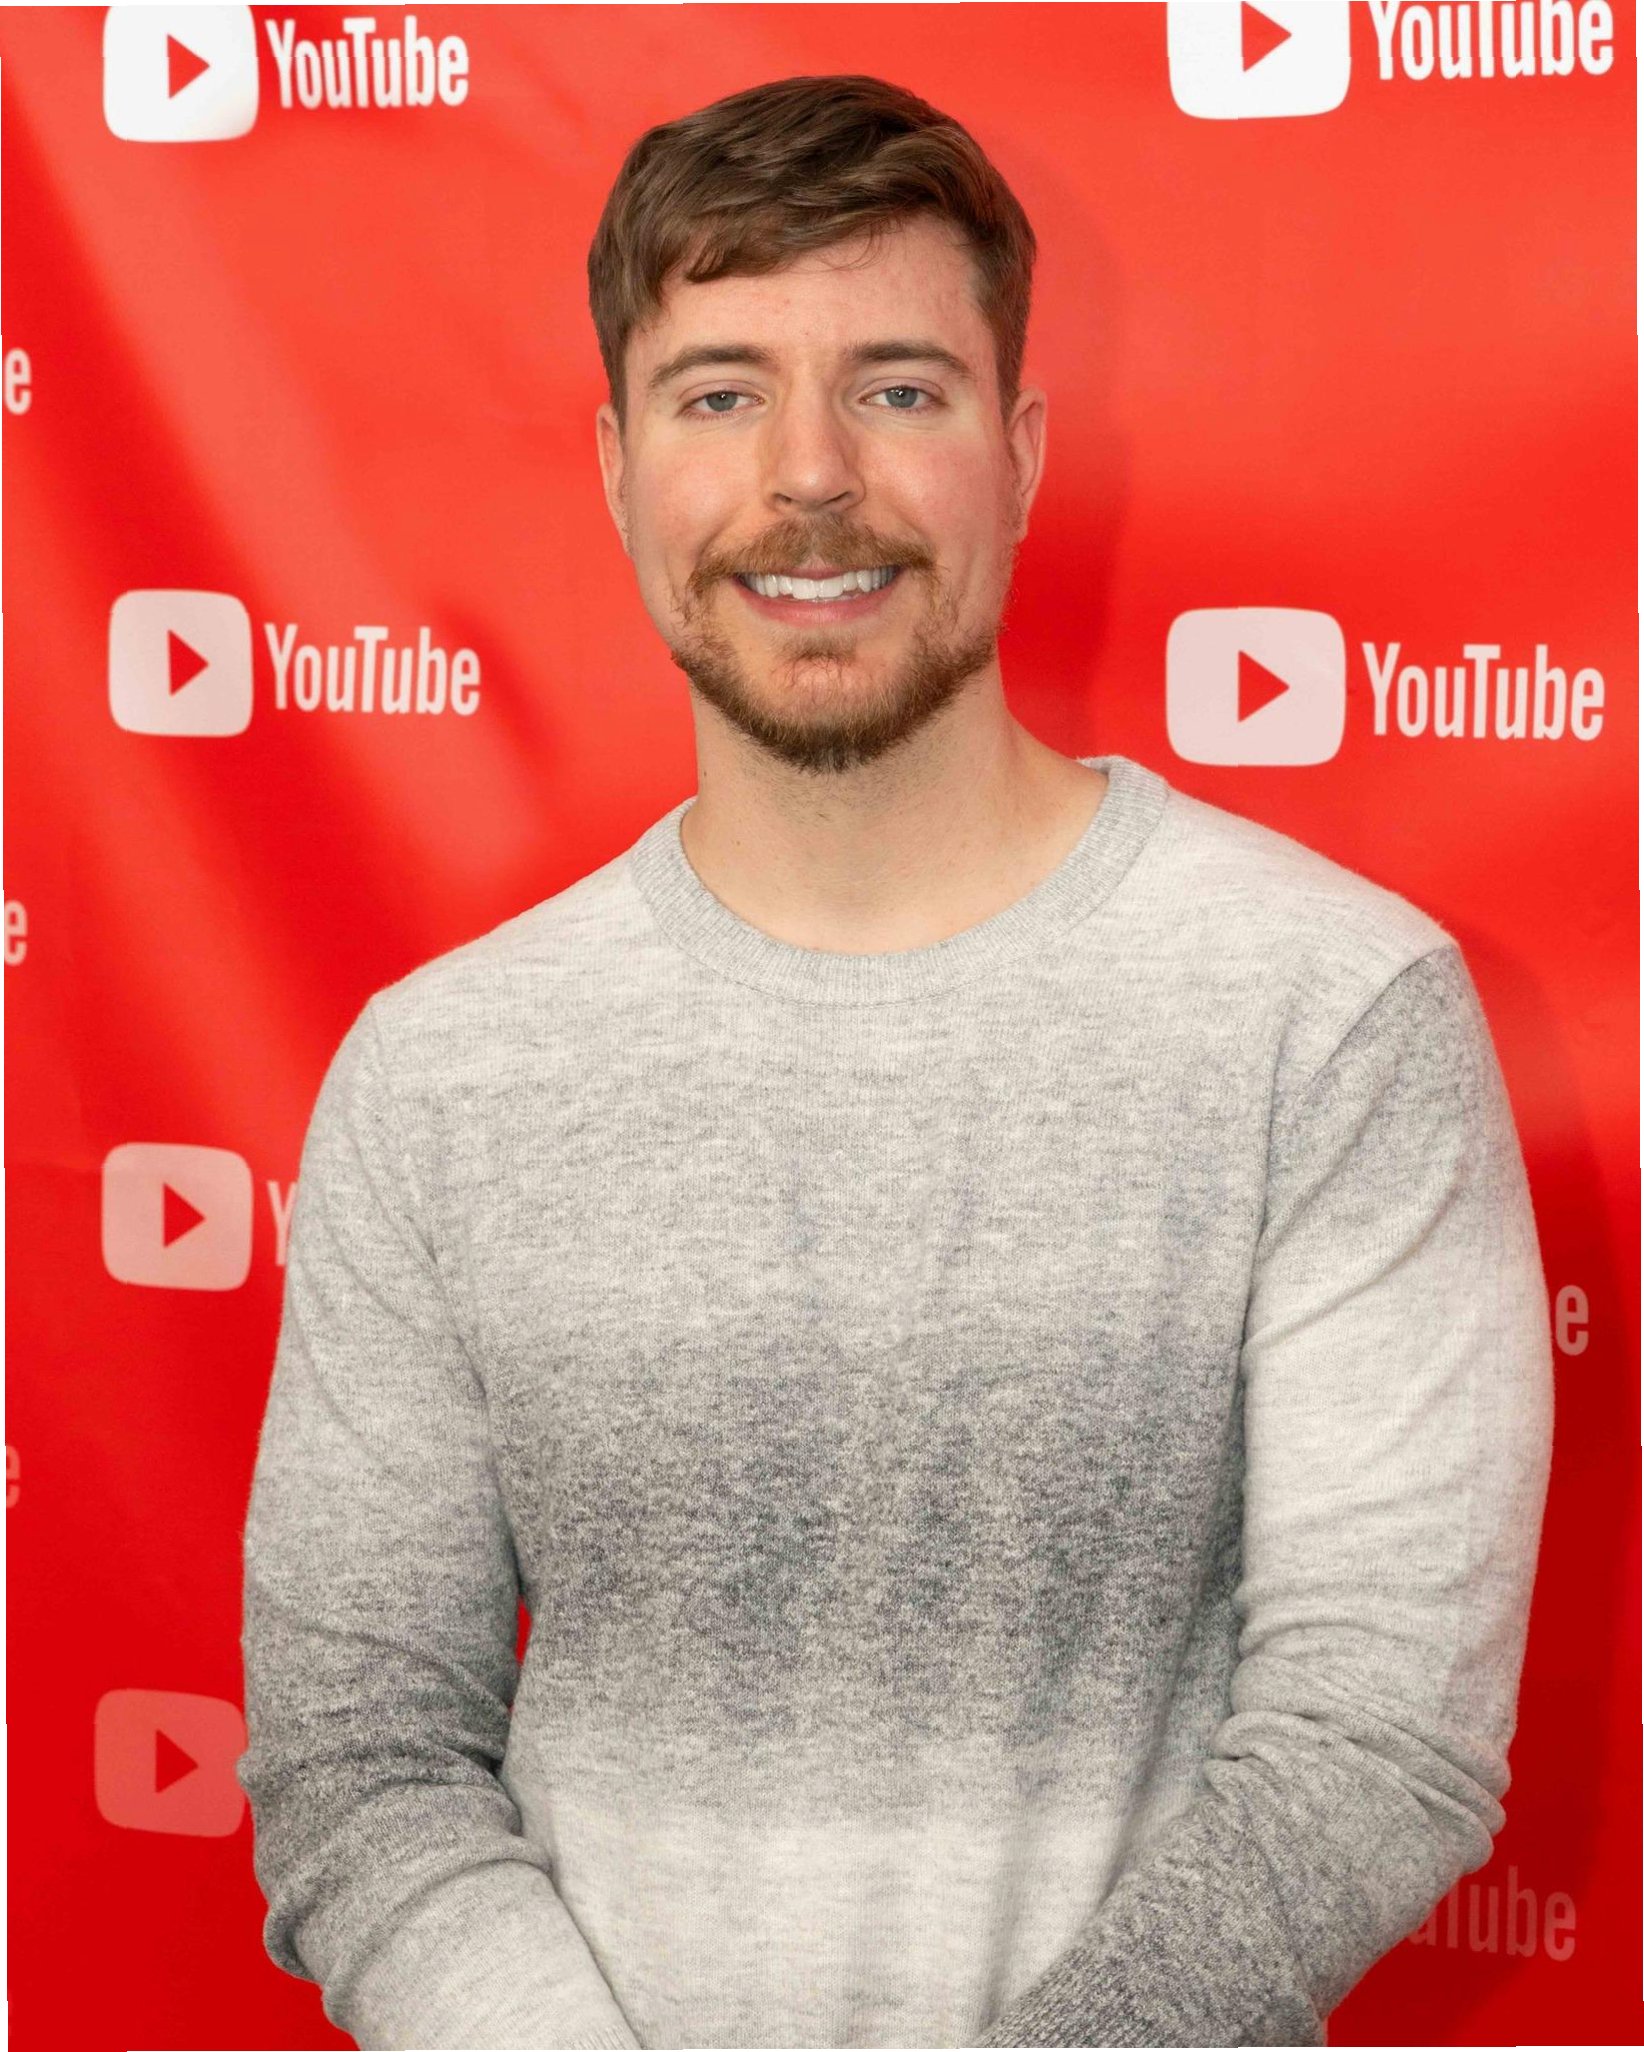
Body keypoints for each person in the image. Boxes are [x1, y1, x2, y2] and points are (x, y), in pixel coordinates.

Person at [236, 73, 1555, 2051]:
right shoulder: (441, 1079)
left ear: (1018, 455)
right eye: (720, 394)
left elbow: (1377, 1742)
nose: (811, 474)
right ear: (615, 467)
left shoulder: (1331, 1012)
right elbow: (360, 1764)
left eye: (900, 388)